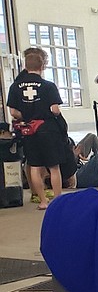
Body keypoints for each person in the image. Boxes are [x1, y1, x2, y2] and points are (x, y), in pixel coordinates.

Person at [7, 48, 67, 208]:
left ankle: (42, 201)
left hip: (29, 130)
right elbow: (55, 110)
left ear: (25, 67)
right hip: (47, 129)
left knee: (34, 165)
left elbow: (13, 112)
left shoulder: (15, 86)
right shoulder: (48, 86)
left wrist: (26, 114)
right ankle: (58, 200)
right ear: (42, 67)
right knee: (54, 167)